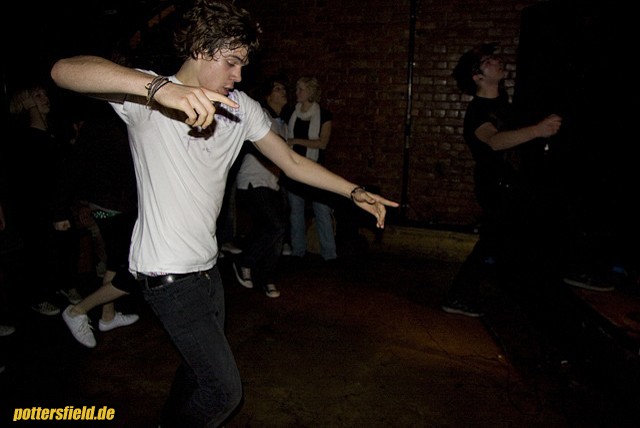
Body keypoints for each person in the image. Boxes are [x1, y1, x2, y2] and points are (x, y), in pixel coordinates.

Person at [50, 1, 397, 426]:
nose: (239, 75)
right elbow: (64, 71)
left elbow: (291, 162)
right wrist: (159, 89)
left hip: (207, 270)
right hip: (167, 274)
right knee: (223, 393)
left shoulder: (241, 107)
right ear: (200, 48)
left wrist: (353, 191)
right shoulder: (147, 96)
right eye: (231, 62)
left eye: (242, 65)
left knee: (197, 372)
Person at [441, 43, 562, 317]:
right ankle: (458, 296)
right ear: (477, 77)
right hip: (496, 185)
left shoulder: (504, 104)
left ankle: (471, 294)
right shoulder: (478, 111)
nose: (497, 61)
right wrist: (537, 130)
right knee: (494, 239)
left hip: (513, 182)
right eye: (488, 61)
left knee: (505, 238)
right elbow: (494, 142)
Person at [57, 101, 140, 348]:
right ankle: (77, 311)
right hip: (111, 208)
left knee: (115, 263)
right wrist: (59, 212)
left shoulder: (114, 122)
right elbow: (71, 170)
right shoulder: (98, 126)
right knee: (134, 270)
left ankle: (108, 316)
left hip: (118, 206)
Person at [232, 77, 290, 298]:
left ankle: (267, 278)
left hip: (272, 183)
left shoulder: (283, 123)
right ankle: (244, 261)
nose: (283, 92)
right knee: (275, 226)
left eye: (284, 88)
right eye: (278, 89)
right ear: (268, 95)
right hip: (253, 181)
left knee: (274, 231)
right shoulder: (262, 116)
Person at [285, 77, 338, 261]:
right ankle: (298, 251)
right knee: (296, 211)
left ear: (310, 91)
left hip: (315, 169)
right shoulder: (291, 112)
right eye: (296, 89)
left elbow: (322, 143)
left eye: (300, 89)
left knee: (322, 210)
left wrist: (296, 141)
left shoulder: (324, 115)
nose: (296, 93)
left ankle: (329, 254)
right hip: (294, 168)